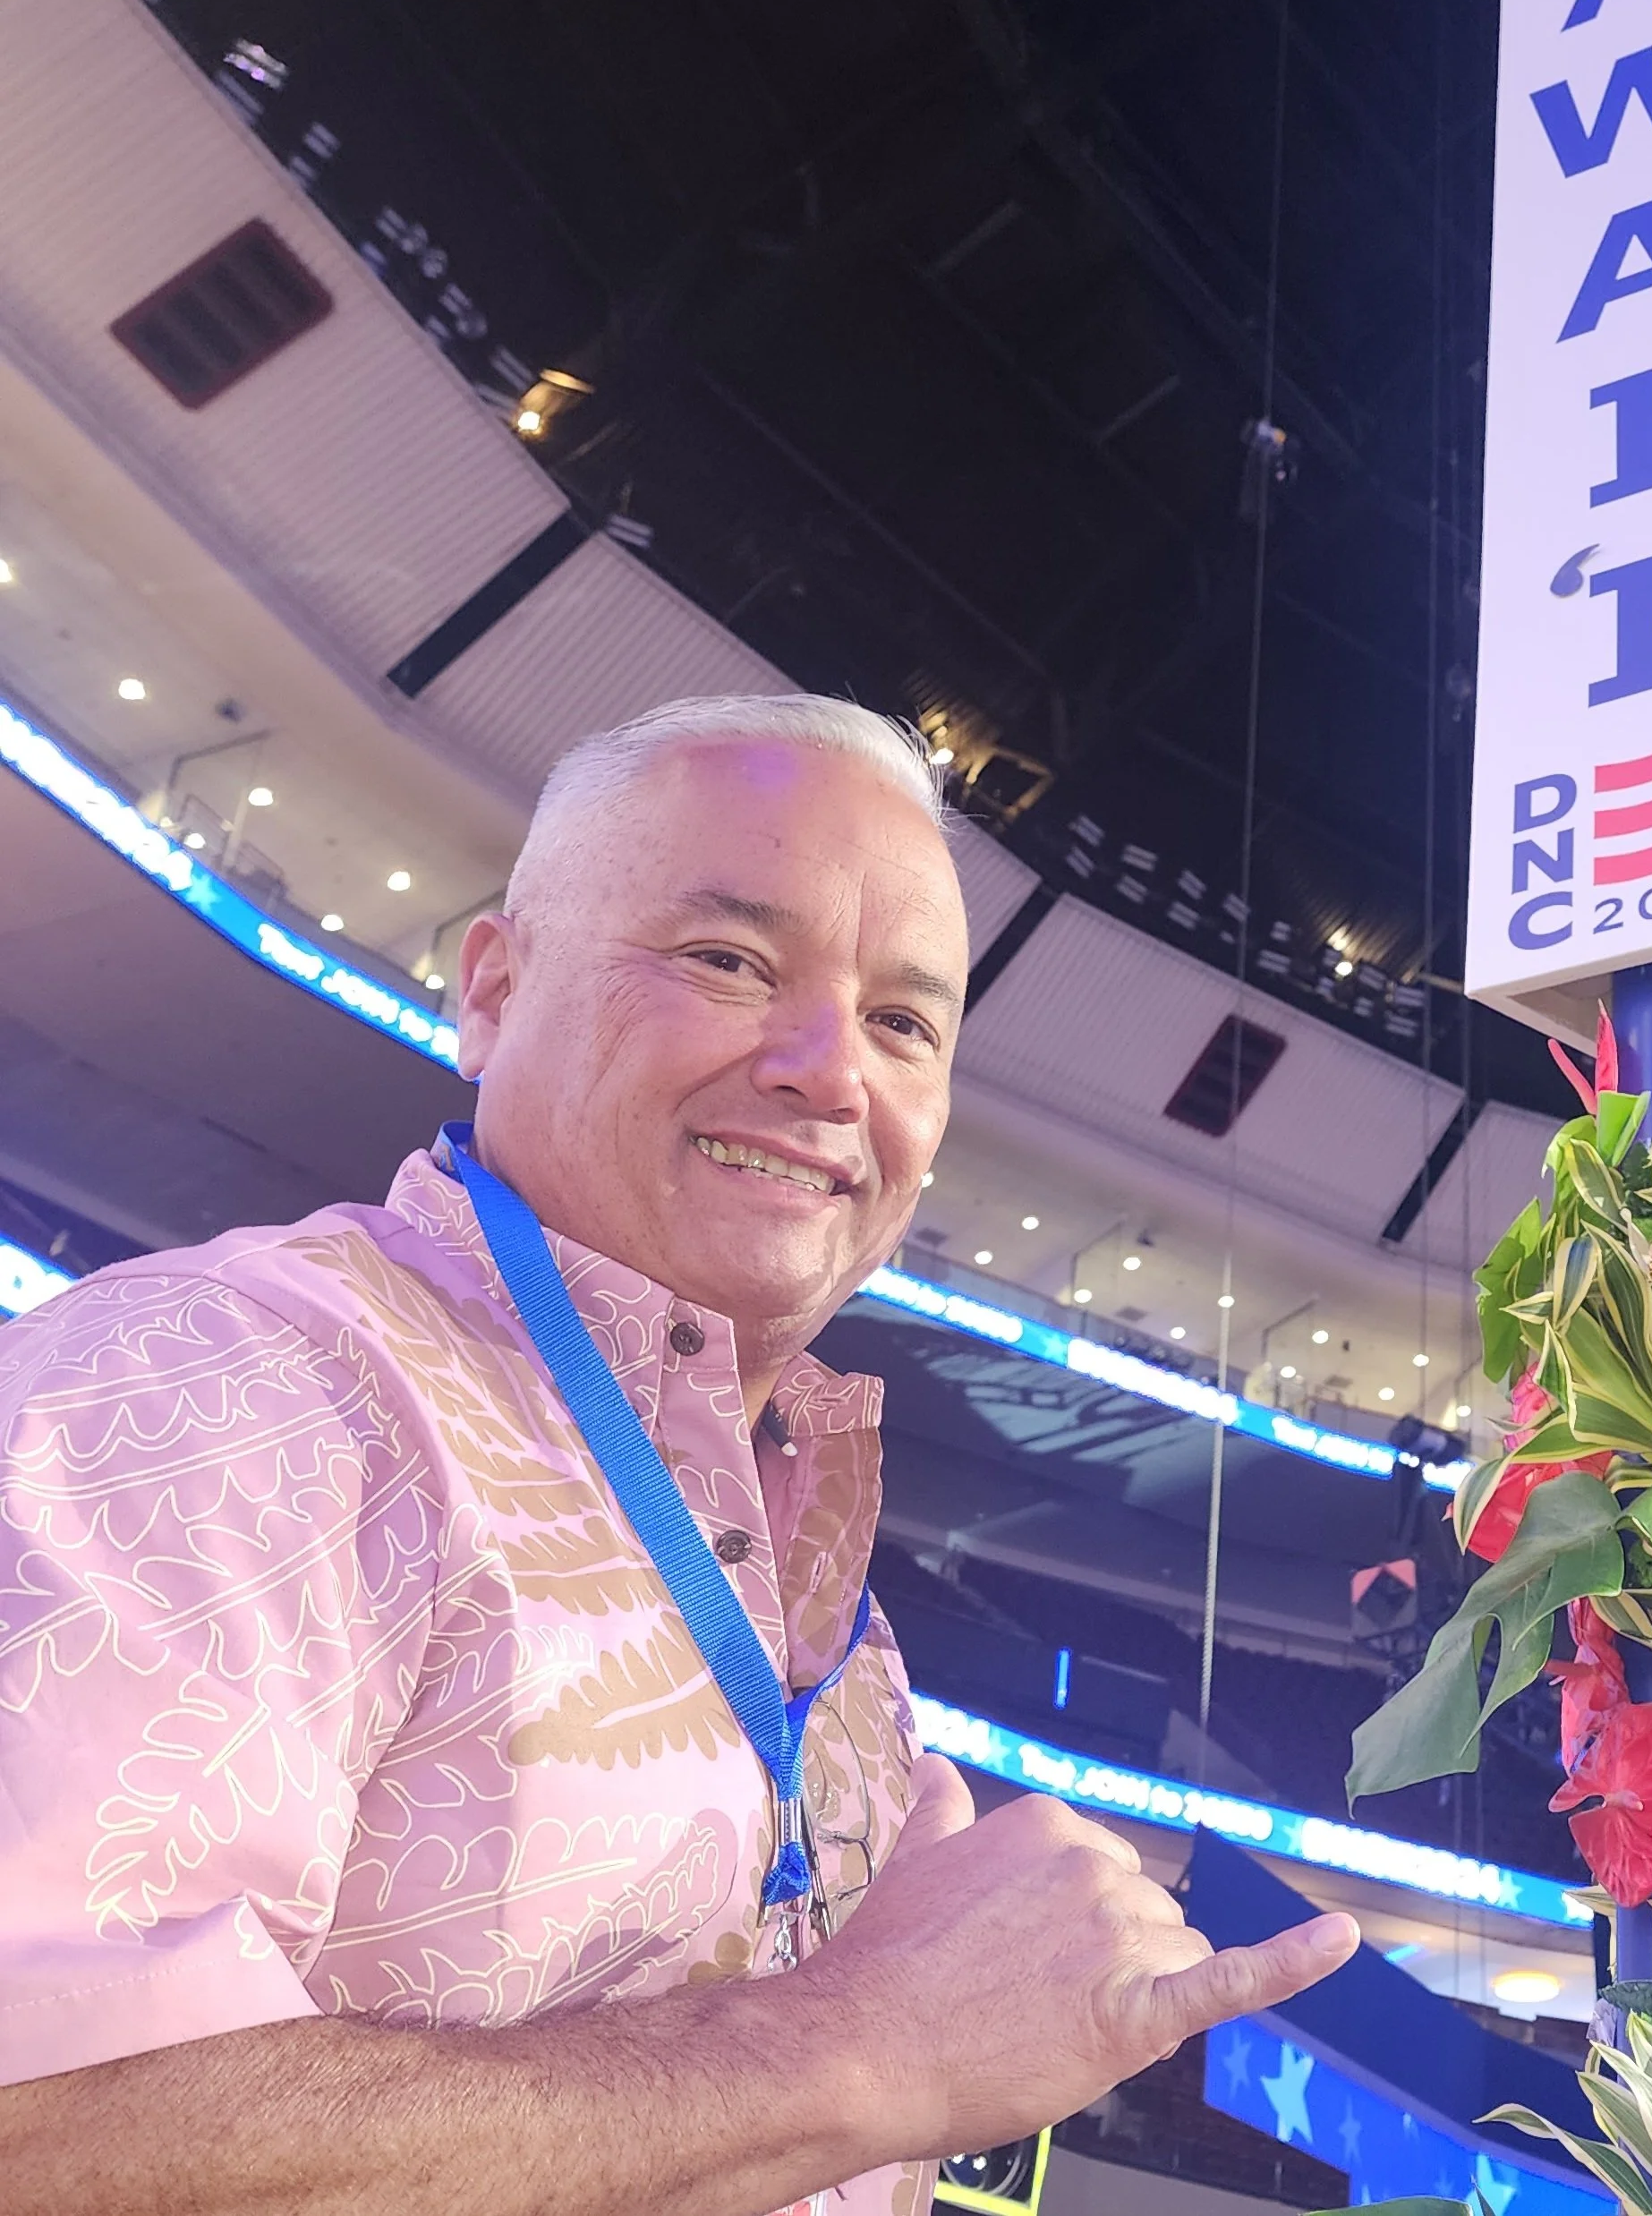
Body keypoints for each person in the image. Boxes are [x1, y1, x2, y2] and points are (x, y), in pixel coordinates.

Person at [0, 692, 1355, 2215]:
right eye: (729, 961)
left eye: (903, 1022)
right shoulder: (224, 1382)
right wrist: (866, 2043)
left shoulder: (848, 1645)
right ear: (495, 990)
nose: (829, 1072)